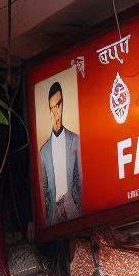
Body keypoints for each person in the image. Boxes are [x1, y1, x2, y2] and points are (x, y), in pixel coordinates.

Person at [39, 80, 83, 225]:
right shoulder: (44, 151)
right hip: (53, 214)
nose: (56, 109)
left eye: (59, 104)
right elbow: (44, 186)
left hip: (73, 207)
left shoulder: (75, 140)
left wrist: (77, 202)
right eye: (52, 106)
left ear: (63, 104)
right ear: (49, 109)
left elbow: (80, 176)